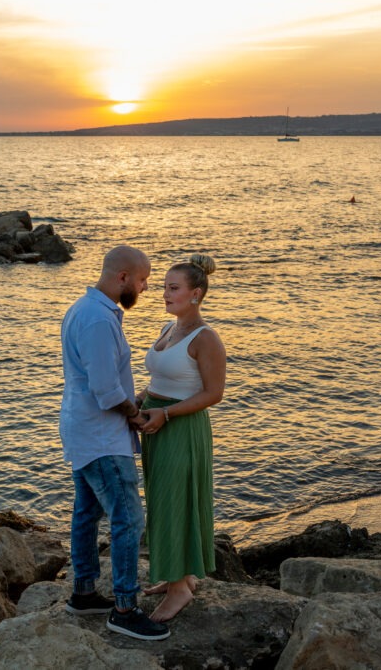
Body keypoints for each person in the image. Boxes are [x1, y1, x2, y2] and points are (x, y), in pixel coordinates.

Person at [59, 245, 170, 641]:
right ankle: (124, 607)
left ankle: (84, 593)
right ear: (123, 277)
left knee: (87, 513)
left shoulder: (87, 310)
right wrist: (136, 415)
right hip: (102, 436)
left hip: (84, 430)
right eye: (142, 280)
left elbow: (103, 381)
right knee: (128, 518)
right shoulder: (97, 320)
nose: (144, 288)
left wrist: (134, 397)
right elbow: (105, 389)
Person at [137, 253, 226, 623]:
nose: (164, 294)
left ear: (196, 293)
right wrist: (142, 397)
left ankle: (178, 591)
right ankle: (182, 575)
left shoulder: (206, 338)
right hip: (156, 424)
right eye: (163, 288)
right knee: (164, 500)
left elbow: (213, 394)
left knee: (176, 500)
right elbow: (162, 379)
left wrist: (167, 413)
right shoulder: (168, 329)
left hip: (181, 427)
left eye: (173, 288)